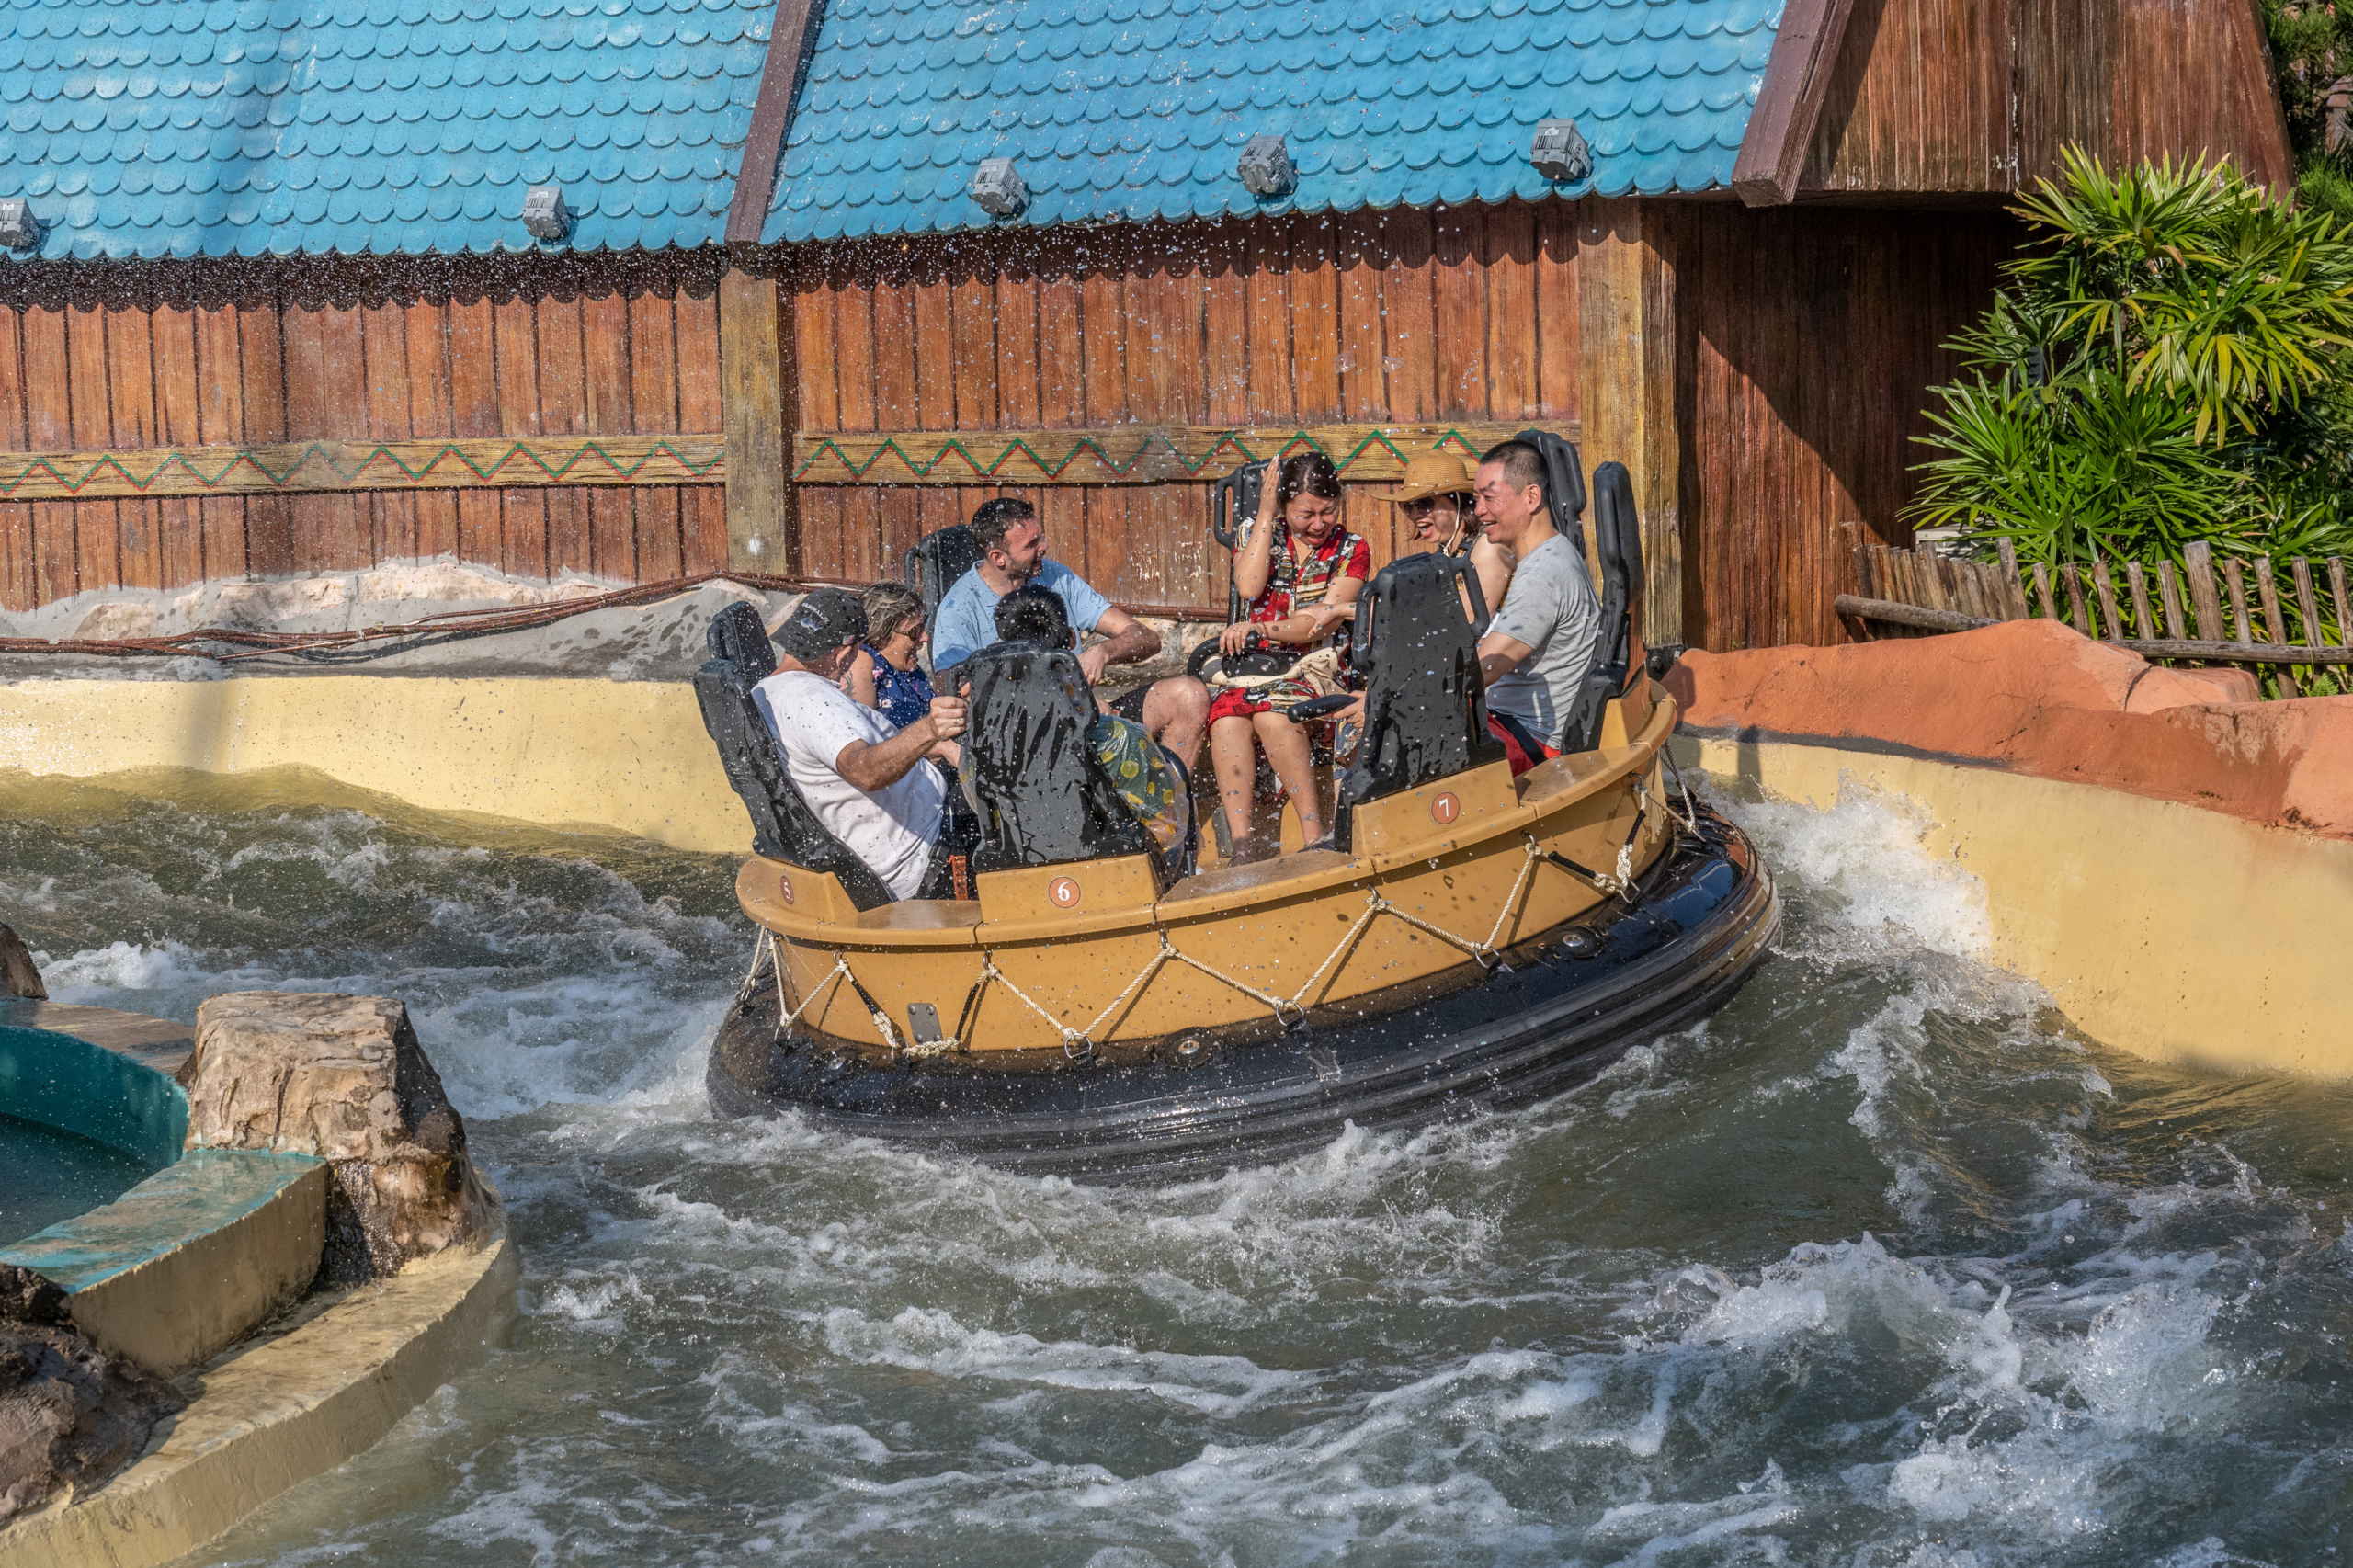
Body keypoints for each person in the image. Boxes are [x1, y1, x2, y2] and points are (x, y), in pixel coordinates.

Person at [929, 496, 1209, 771]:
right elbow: (951, 693)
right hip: (1018, 742)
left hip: (1086, 718)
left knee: (1190, 695)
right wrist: (1062, 700)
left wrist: (1103, 652)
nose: (1044, 547)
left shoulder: (1055, 576)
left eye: (1041, 537)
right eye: (1031, 545)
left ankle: (1169, 795)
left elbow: (1147, 638)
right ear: (998, 557)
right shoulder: (958, 607)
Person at [750, 588, 977, 901]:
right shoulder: (812, 700)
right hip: (929, 855)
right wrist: (929, 730)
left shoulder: (768, 691)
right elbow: (864, 771)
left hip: (929, 825)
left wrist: (931, 747)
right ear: (843, 653)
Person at [1205, 451, 1370, 858]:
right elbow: (1248, 586)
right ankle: (1243, 846)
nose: (1318, 524)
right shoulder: (1257, 532)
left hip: (1317, 668)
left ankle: (1314, 836)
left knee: (1273, 715)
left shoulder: (1352, 549)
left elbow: (1321, 623)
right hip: (1254, 671)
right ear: (1283, 505)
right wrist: (1265, 513)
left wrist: (1261, 629)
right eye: (1305, 514)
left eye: (1328, 512)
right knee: (1225, 721)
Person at [988, 585, 1194, 874]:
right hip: (1117, 875)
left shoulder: (985, 744)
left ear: (1002, 649)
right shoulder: (1120, 739)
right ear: (1072, 638)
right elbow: (1167, 833)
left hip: (1024, 874)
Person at [1471, 440, 1603, 775]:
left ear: (1531, 498)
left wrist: (1394, 702)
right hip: (1510, 723)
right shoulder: (1553, 552)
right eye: (1476, 499)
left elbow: (1481, 670)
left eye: (1489, 497)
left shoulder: (1543, 574)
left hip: (1531, 743)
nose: (1479, 510)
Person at [1384, 450, 1514, 618]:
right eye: (1408, 506)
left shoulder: (1489, 543)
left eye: (1424, 503)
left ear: (1458, 500)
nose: (1415, 514)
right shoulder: (1448, 552)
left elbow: (1471, 620)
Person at [846, 581, 935, 732]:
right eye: (915, 631)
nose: (925, 637)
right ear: (883, 633)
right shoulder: (862, 662)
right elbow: (864, 739)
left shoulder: (910, 671)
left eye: (923, 627)